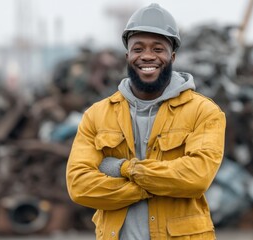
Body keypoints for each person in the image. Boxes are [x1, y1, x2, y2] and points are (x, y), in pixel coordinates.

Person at [66, 3, 226, 239]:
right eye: (138, 48)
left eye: (158, 48)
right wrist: (156, 185)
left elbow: (196, 178)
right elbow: (79, 185)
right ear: (127, 56)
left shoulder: (203, 112)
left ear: (172, 56)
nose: (148, 56)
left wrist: (123, 168)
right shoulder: (97, 115)